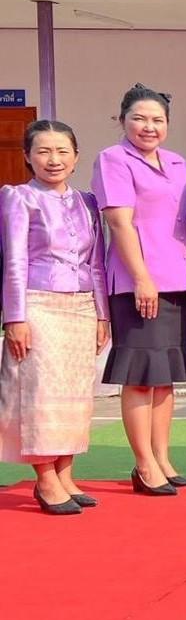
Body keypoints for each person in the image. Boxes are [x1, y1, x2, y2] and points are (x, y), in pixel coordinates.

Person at [93, 85, 186, 496]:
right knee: (140, 376)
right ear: (122, 120)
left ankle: (163, 457)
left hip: (176, 280)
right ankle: (143, 464)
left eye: (157, 120)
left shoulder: (177, 163)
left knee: (166, 376)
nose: (148, 126)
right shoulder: (113, 160)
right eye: (139, 118)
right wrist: (141, 277)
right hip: (139, 283)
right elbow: (120, 223)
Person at [0, 120, 109, 514]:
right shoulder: (18, 197)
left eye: (62, 151)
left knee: (74, 395)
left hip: (81, 308)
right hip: (38, 304)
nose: (53, 159)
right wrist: (15, 317)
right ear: (27, 156)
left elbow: (97, 262)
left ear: (76, 157)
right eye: (43, 151)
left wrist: (102, 315)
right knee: (39, 394)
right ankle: (45, 479)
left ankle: (65, 473)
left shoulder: (87, 202)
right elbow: (13, 260)